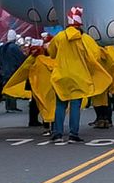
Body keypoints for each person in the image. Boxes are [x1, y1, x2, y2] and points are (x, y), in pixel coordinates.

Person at [45, 8, 106, 145]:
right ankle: (73, 134)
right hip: (78, 76)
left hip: (61, 75)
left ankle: (58, 134)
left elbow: (51, 53)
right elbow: (95, 55)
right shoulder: (85, 39)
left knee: (60, 105)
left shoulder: (59, 37)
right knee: (75, 106)